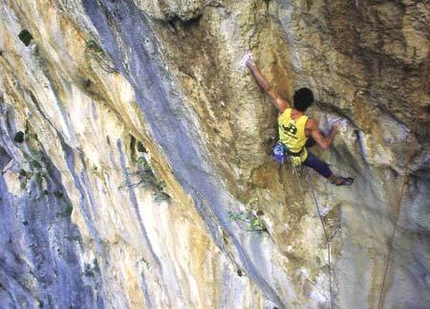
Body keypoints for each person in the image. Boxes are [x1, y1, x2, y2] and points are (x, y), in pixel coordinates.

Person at [246, 57, 354, 186]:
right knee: (320, 165)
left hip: (286, 143)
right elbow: (324, 145)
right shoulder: (309, 123)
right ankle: (336, 181)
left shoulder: (284, 108)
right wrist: (334, 130)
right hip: (296, 153)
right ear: (308, 106)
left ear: (294, 99)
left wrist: (253, 67)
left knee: (312, 135)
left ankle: (307, 141)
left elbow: (268, 89)